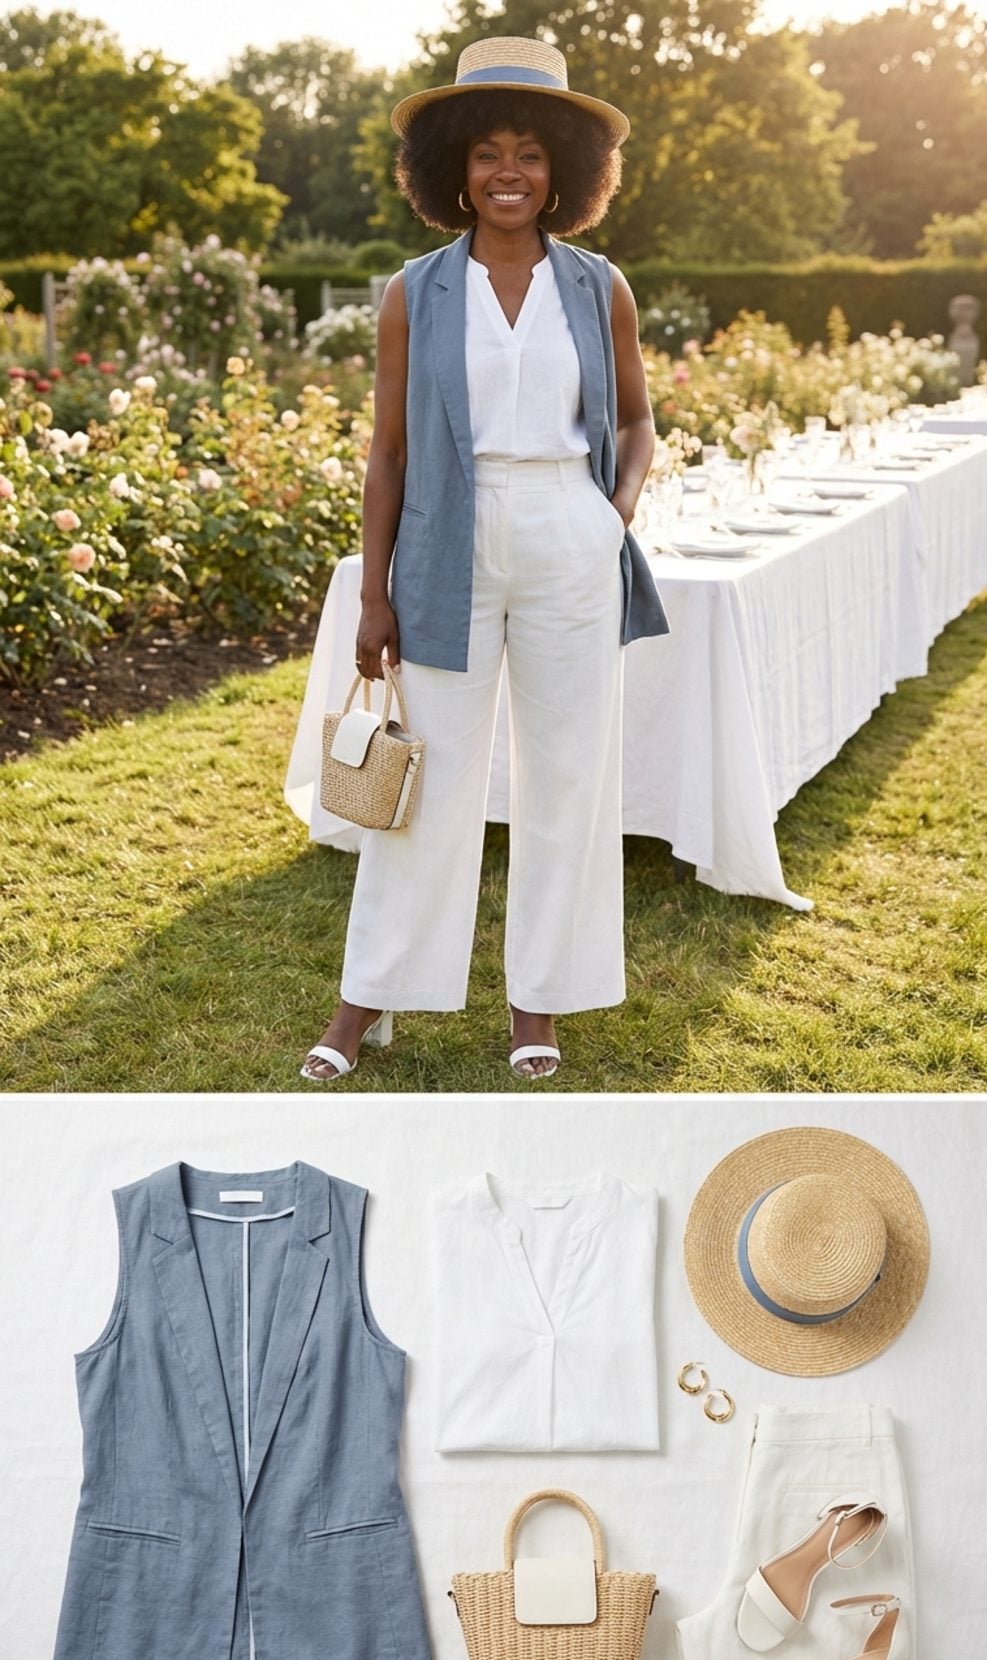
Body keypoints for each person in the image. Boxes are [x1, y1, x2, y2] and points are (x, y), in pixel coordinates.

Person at [301, 35, 668, 1084]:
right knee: (429, 779)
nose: (508, 173)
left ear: (565, 171)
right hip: (442, 543)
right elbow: (390, 451)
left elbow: (637, 424)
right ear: (452, 168)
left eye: (531, 155)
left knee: (565, 776)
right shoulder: (413, 291)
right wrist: (372, 595)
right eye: (486, 153)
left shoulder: (600, 287)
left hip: (569, 535)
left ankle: (537, 1005)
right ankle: (364, 999)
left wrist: (614, 512)